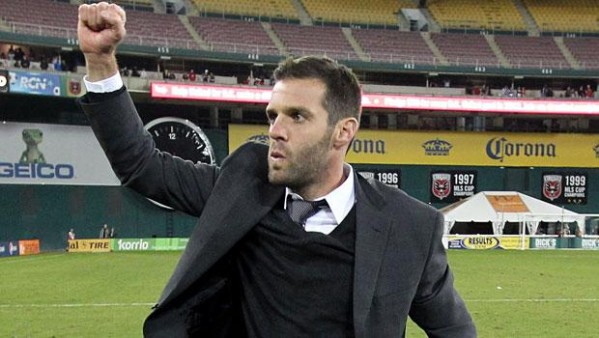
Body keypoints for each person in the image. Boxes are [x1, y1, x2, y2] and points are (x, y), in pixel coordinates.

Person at [76, 3, 476, 337]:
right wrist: (100, 60)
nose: (275, 131)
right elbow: (143, 166)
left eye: (297, 116)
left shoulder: (410, 226)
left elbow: (455, 332)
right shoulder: (242, 184)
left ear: (343, 132)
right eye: (272, 115)